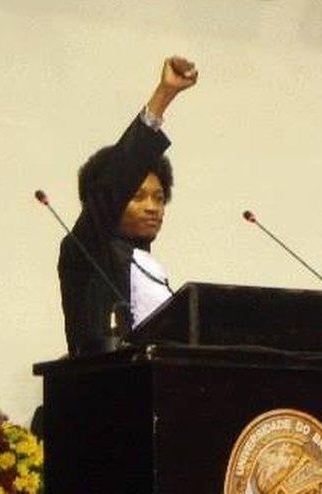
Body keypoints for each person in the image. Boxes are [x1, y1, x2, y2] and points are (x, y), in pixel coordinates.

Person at [58, 56, 197, 356]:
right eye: (137, 197)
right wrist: (164, 96)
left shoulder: (148, 265)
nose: (153, 208)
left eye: (159, 198)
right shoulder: (84, 252)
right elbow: (114, 185)